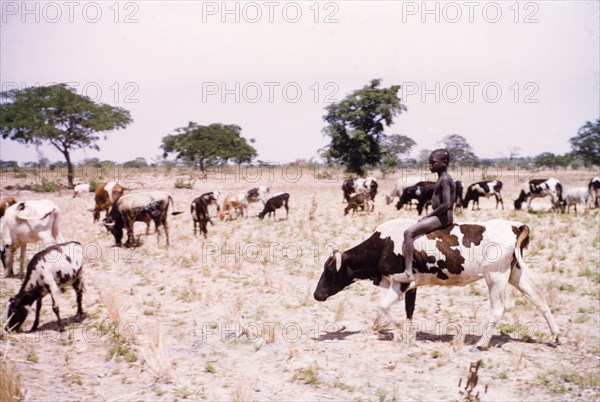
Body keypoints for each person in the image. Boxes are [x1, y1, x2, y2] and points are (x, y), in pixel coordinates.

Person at [393, 149, 456, 284]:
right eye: (429, 163)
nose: (430, 166)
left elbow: (446, 204)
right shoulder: (442, 178)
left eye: (433, 163)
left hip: (443, 217)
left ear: (444, 163)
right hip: (441, 215)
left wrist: (428, 215)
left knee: (408, 233)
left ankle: (408, 272)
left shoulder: (444, 179)